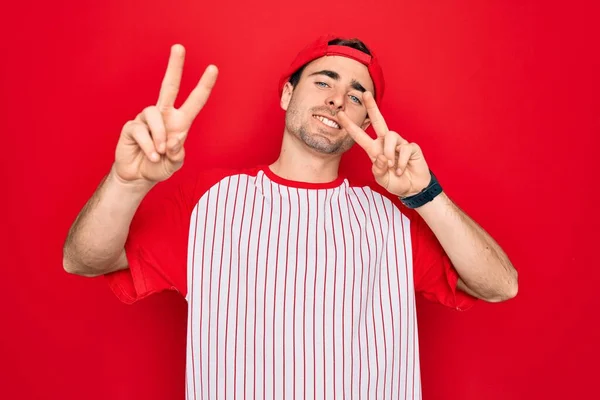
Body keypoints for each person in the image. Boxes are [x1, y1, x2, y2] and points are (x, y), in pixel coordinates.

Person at [63, 35, 518, 399]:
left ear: (368, 117)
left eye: (358, 94)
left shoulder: (392, 220)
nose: (339, 99)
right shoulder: (208, 204)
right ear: (287, 94)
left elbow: (500, 285)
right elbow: (84, 259)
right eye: (324, 81)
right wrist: (128, 183)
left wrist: (425, 194)